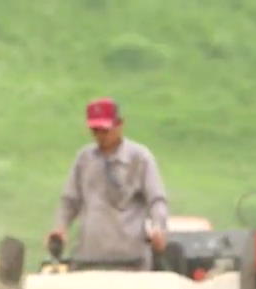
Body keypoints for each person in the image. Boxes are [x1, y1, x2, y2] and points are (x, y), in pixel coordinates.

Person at [47, 97, 169, 271]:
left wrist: (158, 228)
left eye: (105, 130)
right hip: (89, 258)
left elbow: (156, 200)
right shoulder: (84, 159)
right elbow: (69, 201)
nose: (100, 136)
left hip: (131, 261)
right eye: (95, 130)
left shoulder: (140, 158)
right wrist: (60, 228)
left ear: (120, 124)